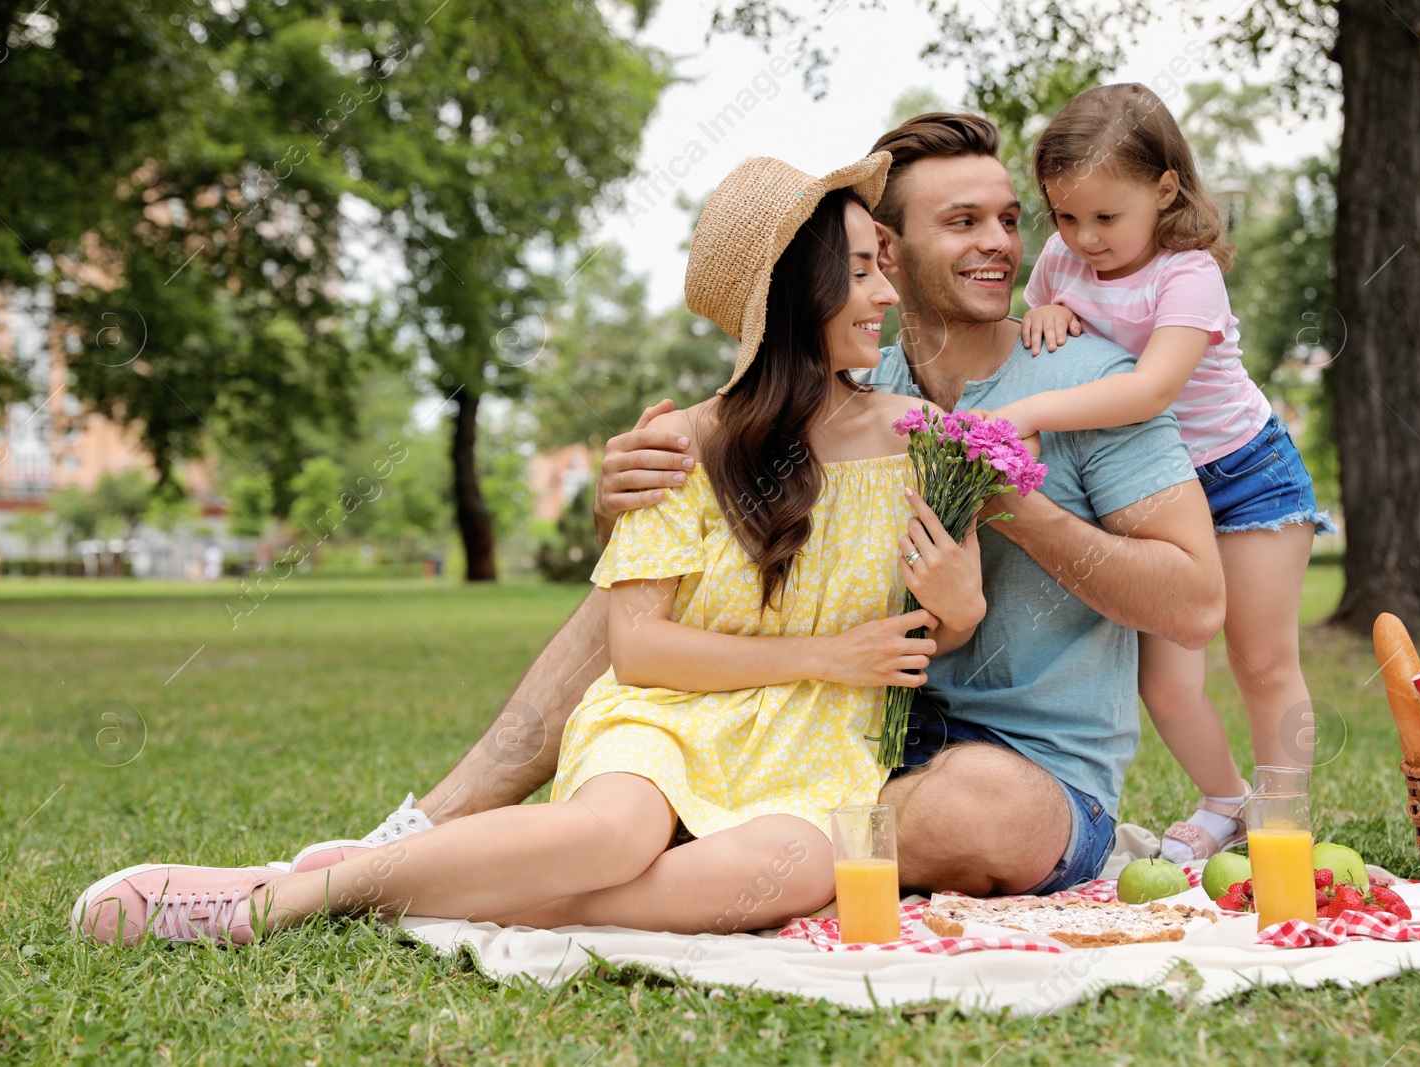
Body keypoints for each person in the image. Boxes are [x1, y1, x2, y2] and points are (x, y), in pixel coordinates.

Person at [261, 112, 1226, 908]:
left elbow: (1194, 605)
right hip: (833, 732)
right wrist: (628, 508)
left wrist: (1019, 503)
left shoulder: (1093, 382)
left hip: (1014, 768)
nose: (1005, 245)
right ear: (879, 249)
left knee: (978, 811)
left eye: (1012, 219)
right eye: (965, 221)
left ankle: (553, 883)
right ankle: (442, 822)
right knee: (629, 601)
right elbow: (727, 532)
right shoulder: (858, 382)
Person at [74, 152, 992, 946]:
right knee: (609, 836)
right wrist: (827, 654)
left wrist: (960, 610)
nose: (886, 290)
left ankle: (443, 892)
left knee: (794, 867)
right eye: (864, 269)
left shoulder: (922, 438)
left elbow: (942, 625)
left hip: (815, 749)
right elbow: (639, 650)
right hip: (664, 721)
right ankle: (287, 898)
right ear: (798, 290)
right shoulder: (678, 446)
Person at [991, 84, 1336, 863]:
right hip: (1153, 486)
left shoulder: (1188, 274)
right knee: (1167, 683)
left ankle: (1282, 825)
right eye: (1066, 217)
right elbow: (1035, 323)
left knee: (1262, 658)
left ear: (1165, 188)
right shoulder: (1059, 259)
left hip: (1244, 474)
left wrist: (1036, 412)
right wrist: (1038, 314)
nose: (1084, 238)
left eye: (1105, 217)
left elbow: (1151, 387)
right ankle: (1224, 800)